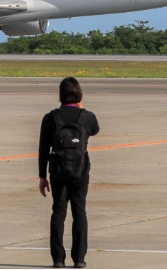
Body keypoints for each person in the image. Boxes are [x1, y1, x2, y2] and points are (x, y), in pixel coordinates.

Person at [38, 77, 100, 269]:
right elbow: (95, 130)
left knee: (58, 211)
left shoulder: (50, 118)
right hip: (80, 171)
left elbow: (43, 149)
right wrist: (82, 109)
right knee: (79, 212)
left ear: (60, 95)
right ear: (79, 94)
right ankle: (79, 259)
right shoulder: (87, 117)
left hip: (58, 172)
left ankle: (58, 259)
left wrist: (42, 176)